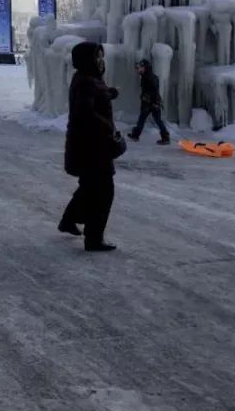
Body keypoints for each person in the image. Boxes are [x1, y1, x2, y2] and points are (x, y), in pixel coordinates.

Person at [58, 41, 125, 252]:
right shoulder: (86, 81)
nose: (100, 60)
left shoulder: (89, 79)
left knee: (90, 188)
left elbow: (94, 98)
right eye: (96, 57)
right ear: (87, 60)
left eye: (100, 56)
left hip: (88, 147)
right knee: (104, 192)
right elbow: (84, 112)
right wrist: (108, 129)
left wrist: (108, 93)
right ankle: (94, 238)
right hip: (92, 148)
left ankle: (69, 220)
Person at [129, 59, 170, 145]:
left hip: (151, 103)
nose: (138, 69)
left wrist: (153, 102)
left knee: (154, 120)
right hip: (150, 102)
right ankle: (136, 135)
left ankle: (165, 137)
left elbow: (154, 91)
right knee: (144, 119)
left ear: (146, 68)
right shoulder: (146, 76)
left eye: (141, 67)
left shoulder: (149, 77)